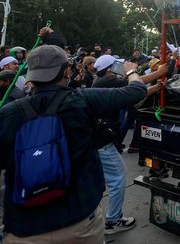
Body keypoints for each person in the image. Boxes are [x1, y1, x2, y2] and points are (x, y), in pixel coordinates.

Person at [0, 44, 147, 243]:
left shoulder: (8, 113)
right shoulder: (81, 100)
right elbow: (137, 90)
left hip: (23, 228)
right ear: (67, 71)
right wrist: (131, 71)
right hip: (79, 223)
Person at [92, 54, 166, 234]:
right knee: (118, 178)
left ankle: (97, 217)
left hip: (98, 140)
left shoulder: (103, 82)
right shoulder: (107, 81)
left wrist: (156, 87)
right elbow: (136, 86)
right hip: (102, 141)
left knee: (103, 179)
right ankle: (113, 220)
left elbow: (134, 94)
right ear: (109, 69)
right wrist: (159, 72)